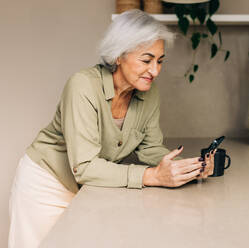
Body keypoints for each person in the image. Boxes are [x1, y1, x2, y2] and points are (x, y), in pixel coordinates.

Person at [8, 9, 215, 248]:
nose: (155, 71)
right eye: (146, 60)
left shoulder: (149, 94)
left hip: (91, 189)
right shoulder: (82, 86)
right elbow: (84, 167)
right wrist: (151, 176)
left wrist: (184, 168)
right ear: (118, 55)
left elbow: (150, 149)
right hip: (45, 187)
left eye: (159, 61)